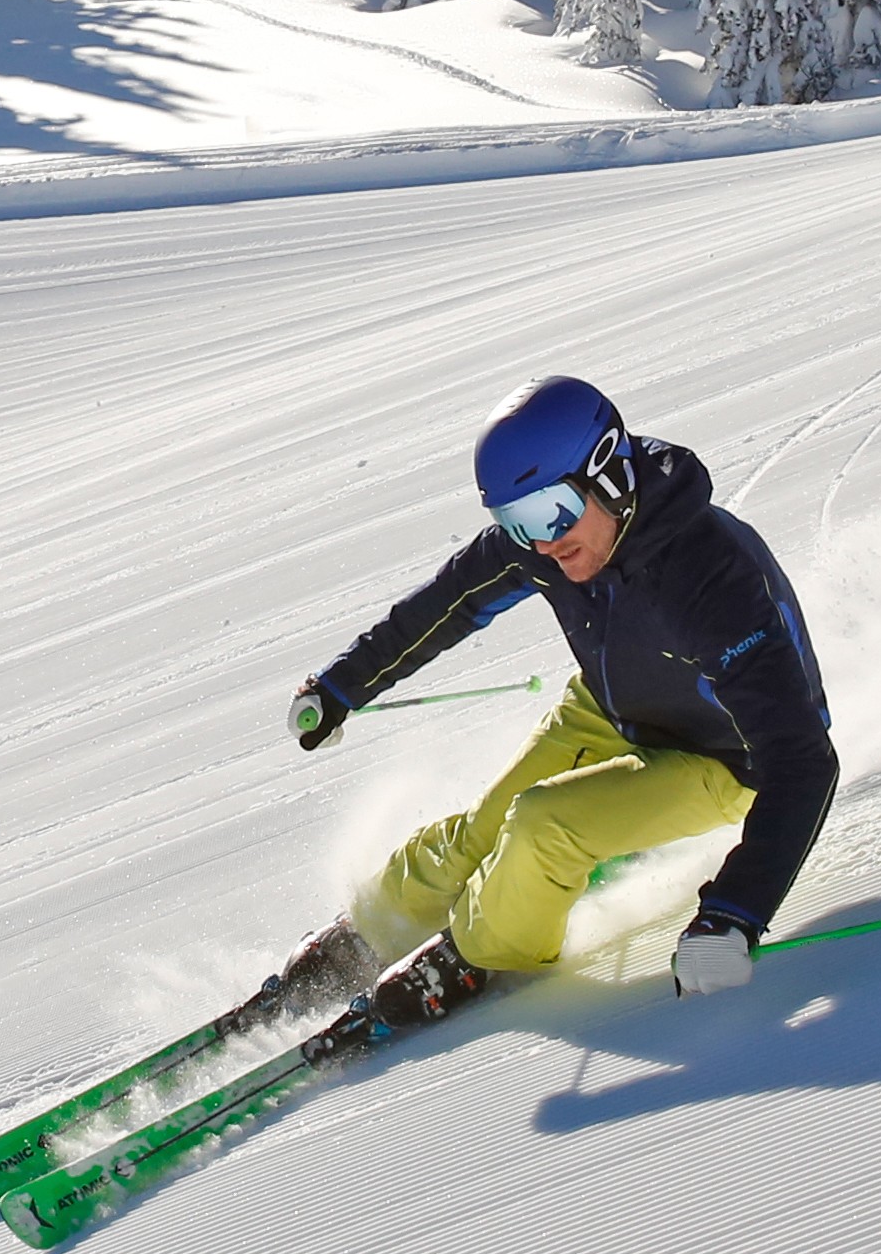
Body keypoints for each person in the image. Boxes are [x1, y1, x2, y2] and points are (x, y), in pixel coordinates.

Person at [256, 376, 838, 1044]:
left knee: (542, 827)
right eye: (516, 522)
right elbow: (445, 605)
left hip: (725, 756)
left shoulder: (708, 575)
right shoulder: (552, 548)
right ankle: (373, 931)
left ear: (609, 474)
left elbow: (803, 759)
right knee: (487, 824)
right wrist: (340, 689)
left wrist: (735, 912)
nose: (542, 542)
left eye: (553, 512)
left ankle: (481, 954)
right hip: (614, 705)